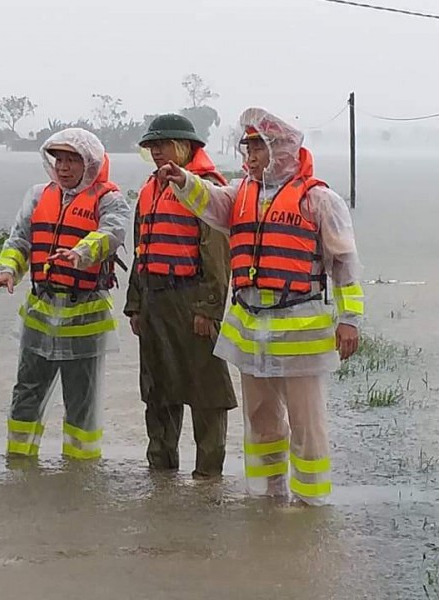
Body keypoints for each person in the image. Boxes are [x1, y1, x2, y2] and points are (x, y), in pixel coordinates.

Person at [157, 107, 364, 504]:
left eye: (257, 147)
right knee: (260, 420)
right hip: (251, 328)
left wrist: (350, 320)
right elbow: (213, 203)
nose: (248, 156)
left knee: (307, 425)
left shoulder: (318, 199)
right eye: (246, 146)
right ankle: (267, 498)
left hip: (299, 329)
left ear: (281, 149)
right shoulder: (241, 192)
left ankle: (310, 505)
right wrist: (183, 180)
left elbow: (345, 265)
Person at [0, 128, 130, 460]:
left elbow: (112, 232)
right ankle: (19, 464)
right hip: (41, 310)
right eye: (58, 159)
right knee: (26, 392)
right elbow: (19, 240)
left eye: (72, 160)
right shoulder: (38, 195)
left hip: (86, 314)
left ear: (89, 162)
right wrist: (6, 271)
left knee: (82, 399)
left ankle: (80, 470)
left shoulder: (109, 199)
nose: (63, 167)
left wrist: (80, 252)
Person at [124, 114, 236, 479]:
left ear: (186, 147)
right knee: (157, 391)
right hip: (155, 301)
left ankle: (208, 476)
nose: (156, 151)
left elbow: (217, 256)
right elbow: (142, 250)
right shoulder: (149, 190)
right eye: (151, 146)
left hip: (191, 300)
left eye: (164, 144)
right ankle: (161, 473)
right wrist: (135, 304)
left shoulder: (207, 189)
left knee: (206, 392)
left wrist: (208, 309)